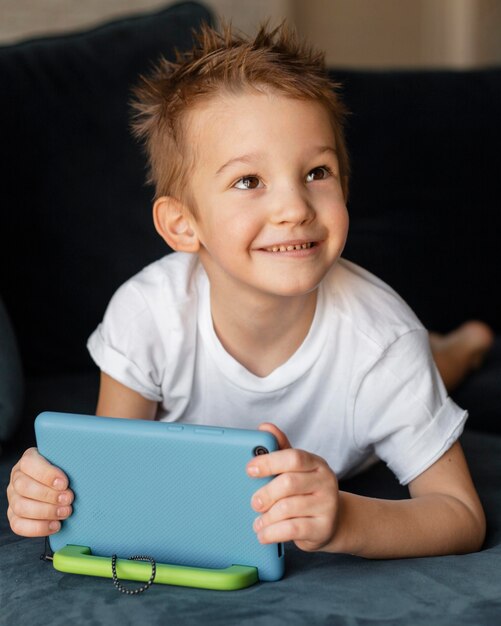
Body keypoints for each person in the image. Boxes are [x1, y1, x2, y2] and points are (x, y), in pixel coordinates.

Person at [7, 22, 488, 558]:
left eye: (317, 172)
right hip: (379, 368)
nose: (294, 208)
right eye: (248, 181)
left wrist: (345, 518)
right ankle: (450, 349)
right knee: (418, 362)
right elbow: (107, 470)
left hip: (369, 400)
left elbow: (462, 516)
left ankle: (460, 348)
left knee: (421, 364)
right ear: (183, 225)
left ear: (345, 187)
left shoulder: (383, 345)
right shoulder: (146, 314)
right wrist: (51, 492)